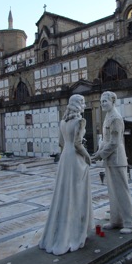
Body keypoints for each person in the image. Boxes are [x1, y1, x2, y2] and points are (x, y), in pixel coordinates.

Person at [39, 94, 94, 255]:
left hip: (65, 158)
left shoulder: (63, 122)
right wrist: (88, 156)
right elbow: (78, 144)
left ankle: (60, 232)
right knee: (75, 195)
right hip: (75, 159)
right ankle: (74, 232)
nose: (84, 105)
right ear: (77, 104)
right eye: (83, 103)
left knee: (64, 194)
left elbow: (62, 143)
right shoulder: (80, 121)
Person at [92, 91, 132, 234]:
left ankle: (130, 223)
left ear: (113, 102)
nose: (102, 104)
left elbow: (114, 142)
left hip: (117, 159)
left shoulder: (116, 118)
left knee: (122, 192)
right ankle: (116, 220)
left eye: (105, 101)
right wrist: (99, 150)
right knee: (113, 192)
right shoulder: (108, 117)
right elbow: (105, 139)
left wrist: (100, 155)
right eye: (101, 101)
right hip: (110, 160)